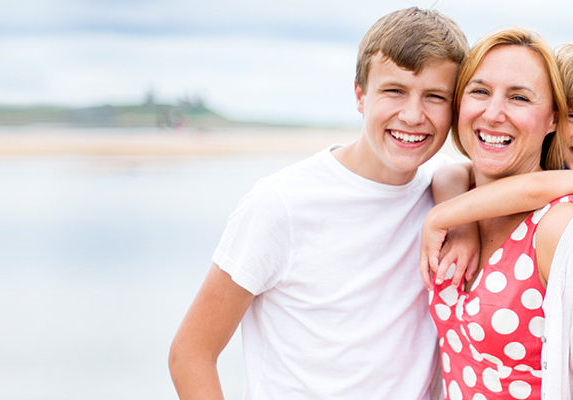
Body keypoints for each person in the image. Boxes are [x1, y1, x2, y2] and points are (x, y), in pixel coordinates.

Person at [166, 7, 467, 399]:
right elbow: (191, 353)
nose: (412, 114)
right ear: (360, 95)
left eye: (435, 97)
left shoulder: (448, 190)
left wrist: (462, 222)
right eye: (394, 91)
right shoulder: (281, 204)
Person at [426, 27, 573, 400]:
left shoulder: (563, 227)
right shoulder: (452, 200)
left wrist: (442, 215)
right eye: (479, 91)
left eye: (519, 97)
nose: (493, 113)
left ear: (553, 120)